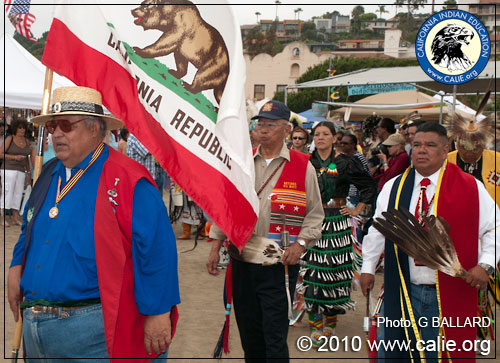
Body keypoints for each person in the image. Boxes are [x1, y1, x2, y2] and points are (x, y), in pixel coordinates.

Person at [7, 86, 180, 361]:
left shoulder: (128, 178)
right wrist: (17, 265)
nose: (56, 134)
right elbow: (29, 225)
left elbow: (157, 249)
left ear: (95, 129)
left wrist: (159, 312)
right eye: (53, 126)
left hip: (93, 334)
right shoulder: (48, 173)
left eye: (66, 125)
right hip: (36, 329)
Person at [360, 122, 500, 362]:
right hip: (403, 289)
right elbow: (377, 231)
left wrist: (486, 264)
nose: (421, 150)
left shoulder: (470, 187)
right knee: (396, 354)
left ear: (446, 151)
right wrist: (367, 268)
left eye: (430, 145)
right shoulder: (394, 187)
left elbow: (495, 227)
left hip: (450, 291)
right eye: (416, 145)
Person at [206, 100, 324, 362]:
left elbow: (315, 214)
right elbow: (226, 206)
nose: (264, 129)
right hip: (241, 260)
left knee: (274, 335)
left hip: (278, 264)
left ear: (286, 130)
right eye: (260, 124)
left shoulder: (303, 165)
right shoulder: (241, 161)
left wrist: (300, 245)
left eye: (271, 124)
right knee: (250, 333)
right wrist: (215, 246)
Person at [301, 122, 377, 345]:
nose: (321, 138)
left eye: (326, 134)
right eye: (317, 134)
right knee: (311, 272)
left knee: (334, 273)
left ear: (335, 138)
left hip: (337, 222)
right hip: (311, 221)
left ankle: (330, 323)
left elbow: (369, 186)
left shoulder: (346, 162)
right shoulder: (306, 162)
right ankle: (315, 324)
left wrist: (357, 209)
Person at [0, 117, 36, 226]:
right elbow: (1, 154)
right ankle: (3, 218)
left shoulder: (27, 141)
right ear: (15, 128)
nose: (22, 130)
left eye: (24, 128)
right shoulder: (9, 139)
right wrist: (15, 157)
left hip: (21, 171)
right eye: (20, 127)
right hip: (8, 169)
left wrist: (29, 173)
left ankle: (15, 218)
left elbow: (26, 159)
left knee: (18, 193)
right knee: (7, 192)